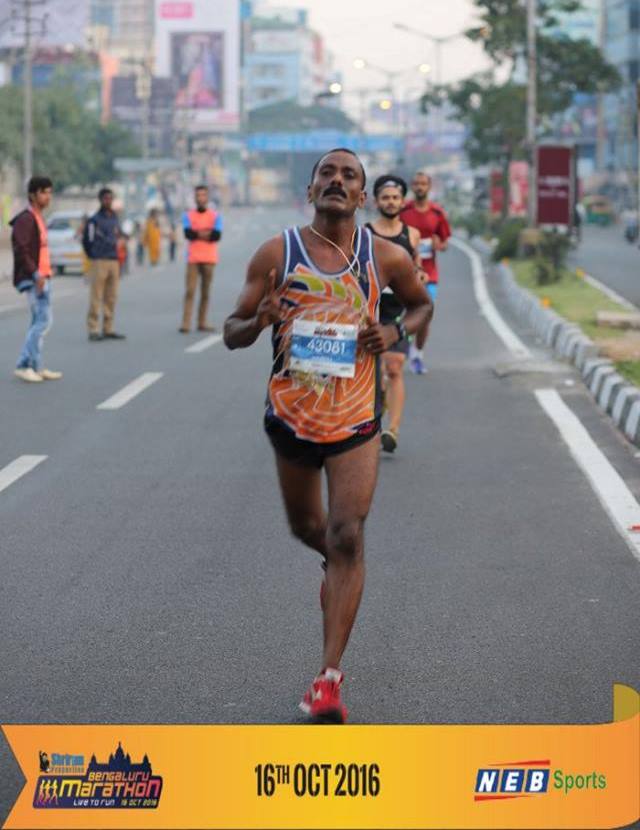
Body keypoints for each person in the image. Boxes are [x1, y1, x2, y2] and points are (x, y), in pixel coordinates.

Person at [223, 149, 431, 723]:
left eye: (349, 176)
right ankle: (339, 569)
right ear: (311, 189)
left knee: (346, 533)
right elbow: (231, 332)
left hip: (356, 419)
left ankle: (328, 679)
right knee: (307, 528)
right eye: (327, 174)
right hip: (291, 417)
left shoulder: (385, 256)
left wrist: (393, 333)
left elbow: (421, 306)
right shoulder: (277, 253)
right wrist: (260, 320)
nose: (337, 181)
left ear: (362, 195)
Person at [365, 175, 422, 453]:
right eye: (385, 197)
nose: (390, 202)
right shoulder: (364, 233)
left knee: (395, 366)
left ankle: (393, 430)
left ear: (402, 202)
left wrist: (419, 275)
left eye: (395, 198)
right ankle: (373, 415)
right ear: (376, 202)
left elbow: (416, 266)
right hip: (370, 309)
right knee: (373, 374)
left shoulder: (412, 235)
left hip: (399, 308)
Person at [11, 176, 62, 383]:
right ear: (33, 195)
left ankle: (35, 366)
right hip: (35, 278)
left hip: (43, 275)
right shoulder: (26, 219)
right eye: (44, 192)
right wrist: (36, 274)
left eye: (50, 192)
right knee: (43, 321)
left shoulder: (38, 218)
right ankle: (23, 365)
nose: (48, 196)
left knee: (38, 322)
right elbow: (22, 250)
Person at [401, 171, 451, 374]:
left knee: (425, 315)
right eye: (416, 183)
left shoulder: (438, 213)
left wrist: (439, 244)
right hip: (404, 272)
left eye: (423, 183)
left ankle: (417, 354)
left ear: (429, 187)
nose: (420, 187)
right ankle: (400, 348)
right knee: (403, 314)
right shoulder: (403, 210)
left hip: (429, 274)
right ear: (411, 186)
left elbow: (445, 243)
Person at [83, 188, 125, 341]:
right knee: (96, 296)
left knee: (111, 296)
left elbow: (119, 235)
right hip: (99, 260)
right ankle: (93, 329)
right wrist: (93, 255)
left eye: (110, 198)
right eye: (106, 198)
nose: (108, 201)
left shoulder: (114, 218)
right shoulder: (94, 220)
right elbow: (87, 240)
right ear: (100, 200)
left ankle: (108, 328)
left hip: (113, 260)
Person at [180, 185, 222, 333]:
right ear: (195, 197)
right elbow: (188, 234)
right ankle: (186, 323)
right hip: (193, 258)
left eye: (203, 195)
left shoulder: (215, 216)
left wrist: (197, 233)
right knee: (190, 291)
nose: (201, 198)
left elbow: (216, 236)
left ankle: (202, 321)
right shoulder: (188, 215)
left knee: (205, 292)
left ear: (207, 197)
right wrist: (206, 233)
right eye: (198, 195)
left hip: (209, 258)